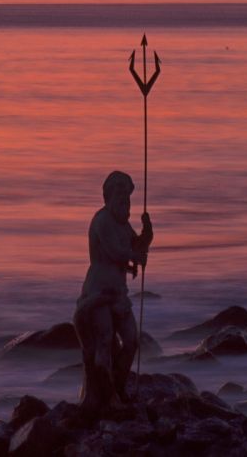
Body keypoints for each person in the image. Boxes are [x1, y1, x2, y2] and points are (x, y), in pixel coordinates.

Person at [73, 170, 153, 410]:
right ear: (108, 196)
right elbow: (116, 252)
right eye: (120, 196)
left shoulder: (122, 224)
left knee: (131, 340)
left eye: (127, 197)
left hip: (118, 293)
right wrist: (134, 256)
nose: (125, 202)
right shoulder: (102, 221)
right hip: (99, 292)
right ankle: (106, 398)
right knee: (104, 341)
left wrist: (147, 232)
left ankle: (118, 387)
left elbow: (135, 244)